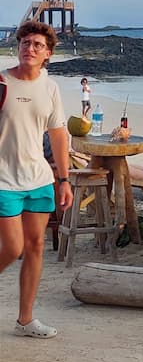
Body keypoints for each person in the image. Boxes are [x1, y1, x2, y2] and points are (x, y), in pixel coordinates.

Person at [0, 21, 74, 338]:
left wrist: (64, 179)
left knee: (35, 247)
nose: (30, 48)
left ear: (48, 54)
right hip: (3, 180)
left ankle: (25, 320)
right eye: (25, 42)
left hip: (39, 179)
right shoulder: (2, 83)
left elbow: (58, 135)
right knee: (13, 246)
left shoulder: (50, 87)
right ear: (18, 47)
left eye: (37, 45)